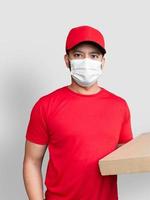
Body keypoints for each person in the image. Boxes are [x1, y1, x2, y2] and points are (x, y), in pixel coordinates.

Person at [22, 25, 133, 200]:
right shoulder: (46, 106)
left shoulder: (119, 106)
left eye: (94, 56)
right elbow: (32, 161)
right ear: (67, 60)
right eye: (78, 55)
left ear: (103, 61)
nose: (86, 61)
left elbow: (127, 155)